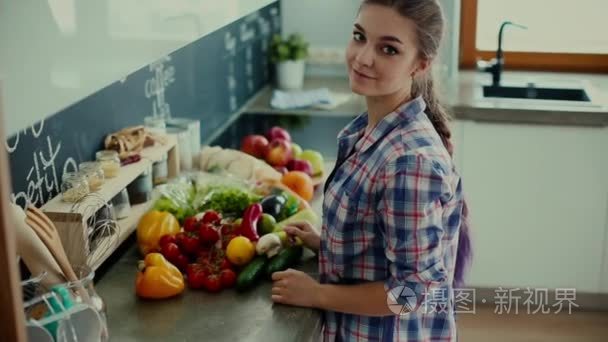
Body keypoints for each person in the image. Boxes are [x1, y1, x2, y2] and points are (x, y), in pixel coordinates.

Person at [270, 0, 472, 340]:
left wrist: (316, 293)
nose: (363, 57)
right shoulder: (370, 132)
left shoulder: (409, 162)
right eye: (359, 37)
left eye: (388, 49)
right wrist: (327, 244)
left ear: (420, 64)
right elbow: (383, 247)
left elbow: (412, 293)